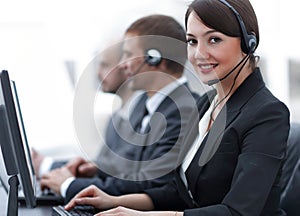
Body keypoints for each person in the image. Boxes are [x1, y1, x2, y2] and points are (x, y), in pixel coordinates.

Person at [65, 0, 290, 215]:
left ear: (248, 42)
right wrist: (114, 201)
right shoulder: (207, 104)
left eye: (214, 39)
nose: (199, 54)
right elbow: (178, 192)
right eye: (192, 41)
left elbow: (238, 211)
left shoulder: (267, 114)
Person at [33, 14, 199, 203]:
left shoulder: (184, 110)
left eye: (128, 55)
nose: (123, 64)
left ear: (154, 59)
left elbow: (152, 183)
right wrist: (95, 169)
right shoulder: (141, 105)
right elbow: (128, 167)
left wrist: (69, 185)